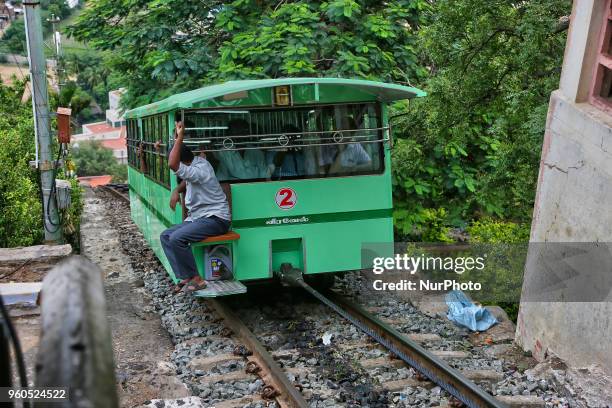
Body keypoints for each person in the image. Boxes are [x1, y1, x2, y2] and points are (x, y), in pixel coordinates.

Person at [160, 121, 231, 293]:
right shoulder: (196, 164)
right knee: (166, 236)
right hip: (199, 218)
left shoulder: (200, 169)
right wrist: (177, 189)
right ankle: (186, 276)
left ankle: (197, 279)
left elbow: (172, 164)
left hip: (216, 219)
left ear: (182, 161)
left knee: (177, 238)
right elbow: (187, 179)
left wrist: (180, 138)